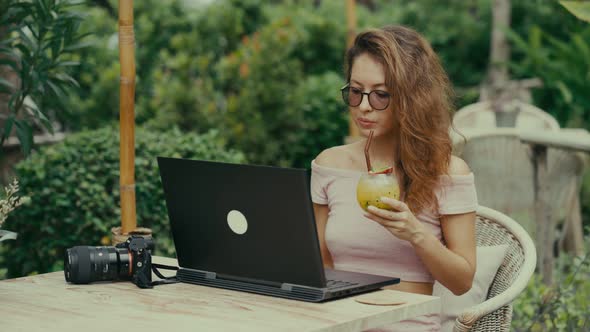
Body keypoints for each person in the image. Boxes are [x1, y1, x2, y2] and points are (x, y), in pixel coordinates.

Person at [310, 25, 478, 331]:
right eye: (356, 91)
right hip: (337, 323)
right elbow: (318, 263)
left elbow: (462, 281)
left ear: (413, 98)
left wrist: (415, 233)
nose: (363, 106)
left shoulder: (448, 172)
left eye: (380, 95)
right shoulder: (329, 164)